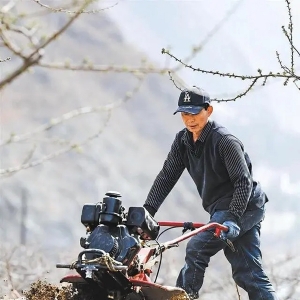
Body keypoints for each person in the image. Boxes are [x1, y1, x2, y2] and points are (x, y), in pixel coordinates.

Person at [143, 86, 278, 300]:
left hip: (244, 205)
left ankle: (184, 297)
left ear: (209, 111)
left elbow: (243, 183)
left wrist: (233, 218)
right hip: (222, 209)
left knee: (197, 248)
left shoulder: (225, 141)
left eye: (195, 113)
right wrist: (147, 212)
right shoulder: (183, 142)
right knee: (249, 273)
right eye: (185, 114)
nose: (190, 119)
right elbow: (167, 175)